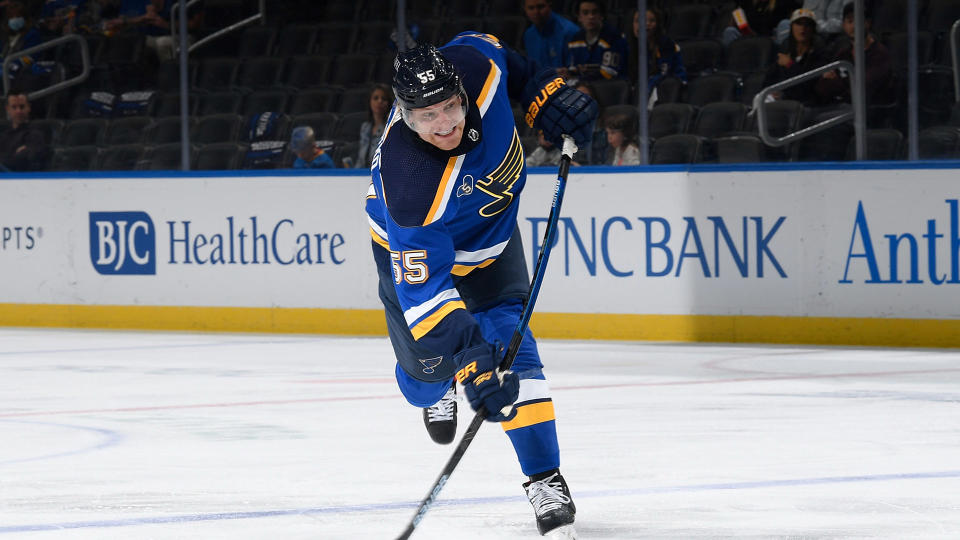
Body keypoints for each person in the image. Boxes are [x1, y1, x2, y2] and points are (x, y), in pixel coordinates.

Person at [365, 35, 596, 537]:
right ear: (403, 115)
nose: (445, 123)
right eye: (427, 116)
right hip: (416, 259)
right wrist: (470, 355)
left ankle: (544, 478)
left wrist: (545, 93)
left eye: (450, 106)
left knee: (515, 349)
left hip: (491, 249)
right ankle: (435, 388)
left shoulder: (476, 65)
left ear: (461, 92)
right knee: (426, 378)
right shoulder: (408, 184)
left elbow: (510, 58)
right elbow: (423, 295)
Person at [814, 3, 892, 108]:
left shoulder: (879, 54)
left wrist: (836, 83)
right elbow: (821, 89)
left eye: (858, 20)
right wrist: (843, 84)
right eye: (850, 21)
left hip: (867, 111)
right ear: (844, 25)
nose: (854, 26)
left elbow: (862, 91)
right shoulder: (843, 54)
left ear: (868, 23)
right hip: (838, 106)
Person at [763, 8, 827, 105]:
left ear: (813, 29)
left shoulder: (819, 51)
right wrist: (772, 91)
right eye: (798, 23)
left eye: (807, 24)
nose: (803, 28)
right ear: (791, 27)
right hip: (782, 98)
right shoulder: (786, 47)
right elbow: (769, 78)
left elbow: (808, 86)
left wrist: (790, 64)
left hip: (805, 103)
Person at [560, 0, 628, 82]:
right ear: (579, 17)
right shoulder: (575, 39)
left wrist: (579, 80)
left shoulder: (614, 38)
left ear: (601, 15)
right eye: (585, 13)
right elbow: (574, 68)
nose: (590, 17)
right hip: (582, 86)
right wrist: (567, 72)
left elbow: (609, 73)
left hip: (609, 87)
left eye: (594, 12)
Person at [630, 8, 687, 96]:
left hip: (666, 92)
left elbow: (666, 75)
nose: (645, 24)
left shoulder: (668, 46)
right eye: (638, 21)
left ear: (658, 25)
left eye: (651, 21)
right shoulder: (630, 47)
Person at [522, 0, 580, 69]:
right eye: (531, 8)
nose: (536, 12)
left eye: (541, 7)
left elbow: (575, 70)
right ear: (525, 9)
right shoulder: (529, 34)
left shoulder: (570, 31)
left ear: (549, 5)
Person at [0, 92, 49, 172]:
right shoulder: (4, 136)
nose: (18, 111)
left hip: (22, 178)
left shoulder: (35, 134)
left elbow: (25, 158)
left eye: (22, 107)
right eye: (14, 107)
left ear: (28, 108)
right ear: (8, 109)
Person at [721, 0, 801, 46]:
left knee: (784, 24)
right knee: (729, 31)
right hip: (750, 36)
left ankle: (783, 60)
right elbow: (736, 22)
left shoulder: (783, 2)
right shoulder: (745, 2)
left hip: (774, 40)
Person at [773, 0, 846, 44]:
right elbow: (803, 14)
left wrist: (814, 26)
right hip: (807, 27)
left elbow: (842, 24)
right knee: (784, 25)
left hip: (827, 35)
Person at [356, 84, 393, 169]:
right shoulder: (365, 127)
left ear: (389, 103)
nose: (379, 101)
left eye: (384, 99)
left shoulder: (391, 127)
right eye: (375, 98)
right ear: (370, 101)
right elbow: (361, 158)